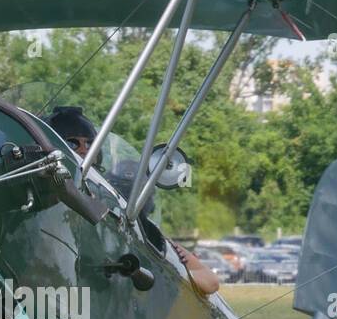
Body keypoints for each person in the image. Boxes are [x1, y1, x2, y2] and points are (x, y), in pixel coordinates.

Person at [48, 105, 220, 297]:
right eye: (72, 144)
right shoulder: (49, 204)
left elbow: (211, 282)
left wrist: (162, 272)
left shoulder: (125, 220)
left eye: (90, 144)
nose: (83, 150)